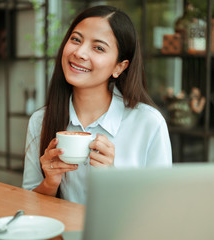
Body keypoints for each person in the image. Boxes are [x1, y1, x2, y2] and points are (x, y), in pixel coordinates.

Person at [22, 5, 172, 204]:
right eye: (76, 39)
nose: (80, 53)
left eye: (98, 47)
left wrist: (113, 180)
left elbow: (162, 208)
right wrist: (50, 182)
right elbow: (29, 206)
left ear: (119, 67)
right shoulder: (40, 121)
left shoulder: (148, 123)